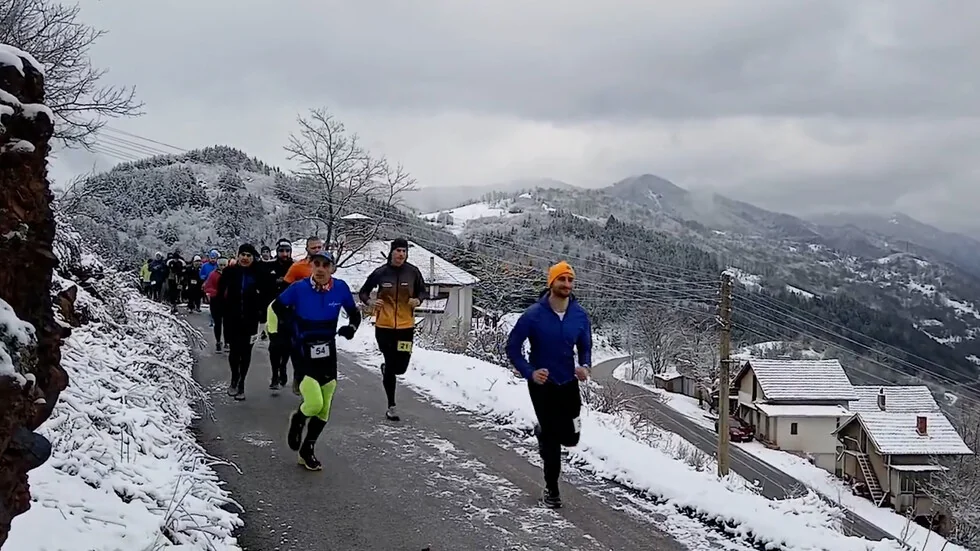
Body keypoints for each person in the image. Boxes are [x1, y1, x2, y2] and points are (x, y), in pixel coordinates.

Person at [505, 261, 592, 509]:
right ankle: (552, 490)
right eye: (561, 279)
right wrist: (530, 373)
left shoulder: (579, 315)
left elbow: (586, 346)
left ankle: (543, 432)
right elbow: (512, 348)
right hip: (543, 385)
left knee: (572, 437)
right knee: (553, 440)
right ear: (551, 282)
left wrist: (584, 366)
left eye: (570, 280)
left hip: (568, 382)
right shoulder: (533, 315)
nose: (566, 284)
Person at [273, 251, 360, 470]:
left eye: (325, 265)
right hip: (303, 350)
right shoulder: (299, 288)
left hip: (327, 351)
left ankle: (307, 450)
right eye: (316, 264)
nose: (320, 269)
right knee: (314, 403)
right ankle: (299, 419)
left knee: (325, 407)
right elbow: (277, 307)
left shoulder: (340, 288)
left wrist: (351, 327)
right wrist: (290, 327)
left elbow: (354, 313)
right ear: (312, 266)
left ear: (332, 269)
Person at [357, 237, 426, 422]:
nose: (401, 254)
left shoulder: (413, 272)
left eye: (404, 251)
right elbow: (363, 292)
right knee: (389, 361)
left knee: (400, 367)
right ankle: (391, 406)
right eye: (398, 251)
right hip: (384, 327)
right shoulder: (381, 273)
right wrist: (371, 301)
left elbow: (423, 291)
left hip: (405, 328)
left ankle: (388, 368)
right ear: (392, 252)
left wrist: (418, 300)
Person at [216, 244, 266, 400]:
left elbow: (265, 294)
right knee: (234, 352)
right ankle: (234, 378)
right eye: (242, 254)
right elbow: (220, 293)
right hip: (232, 318)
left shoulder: (259, 273)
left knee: (246, 352)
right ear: (238, 256)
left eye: (248, 255)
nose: (245, 258)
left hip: (251, 320)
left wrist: (262, 314)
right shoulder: (229, 272)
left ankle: (242, 383)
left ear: (253, 257)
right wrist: (219, 312)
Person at [261, 239, 295, 391]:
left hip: (291, 311)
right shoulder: (269, 267)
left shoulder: (295, 266)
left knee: (287, 345)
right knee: (274, 345)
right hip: (273, 311)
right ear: (277, 251)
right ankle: (275, 374)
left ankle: (283, 367)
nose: (284, 254)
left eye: (287, 251)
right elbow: (262, 287)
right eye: (281, 251)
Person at [203, 258, 228, 352]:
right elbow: (208, 287)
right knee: (217, 323)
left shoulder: (230, 274)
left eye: (224, 265)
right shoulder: (213, 274)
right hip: (216, 301)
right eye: (221, 265)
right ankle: (218, 341)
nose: (222, 267)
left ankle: (227, 342)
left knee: (227, 323)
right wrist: (216, 293)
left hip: (227, 302)